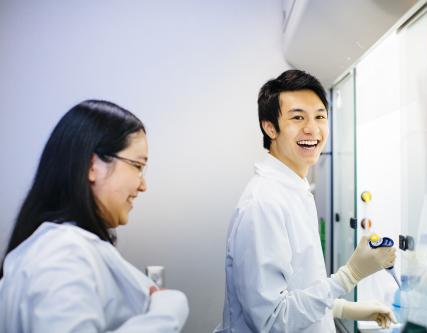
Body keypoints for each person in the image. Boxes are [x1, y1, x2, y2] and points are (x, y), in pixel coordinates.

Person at [215, 70, 397, 332]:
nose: (312, 129)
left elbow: (296, 291)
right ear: (270, 127)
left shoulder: (295, 190)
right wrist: (349, 276)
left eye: (320, 116)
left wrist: (346, 309)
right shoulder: (264, 205)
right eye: (298, 117)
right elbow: (271, 321)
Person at [0, 100, 188, 332]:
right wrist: (166, 313)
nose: (143, 185)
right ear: (92, 166)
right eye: (137, 165)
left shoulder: (63, 248)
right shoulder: (63, 255)